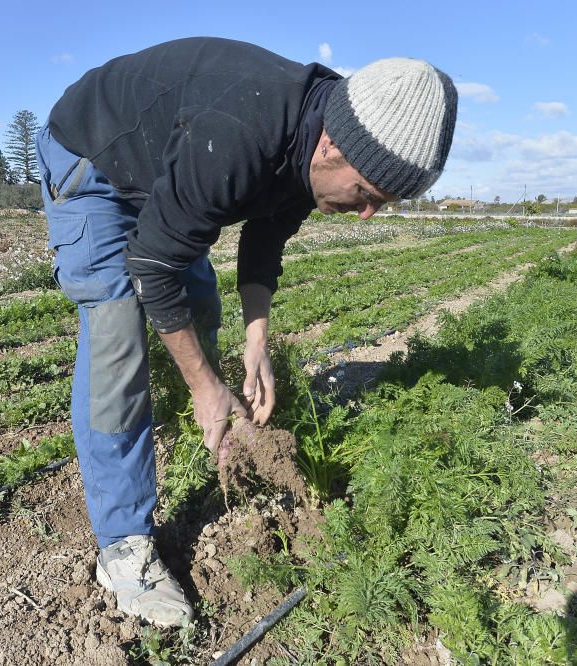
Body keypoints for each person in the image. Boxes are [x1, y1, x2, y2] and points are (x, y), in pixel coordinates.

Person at [37, 36, 457, 627]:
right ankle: (122, 545)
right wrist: (208, 385)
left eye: (382, 202)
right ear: (332, 145)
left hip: (173, 153)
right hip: (95, 158)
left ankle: (198, 420)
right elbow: (153, 266)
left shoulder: (324, 126)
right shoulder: (243, 130)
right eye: (367, 193)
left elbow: (268, 230)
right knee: (119, 336)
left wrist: (255, 339)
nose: (367, 213)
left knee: (200, 304)